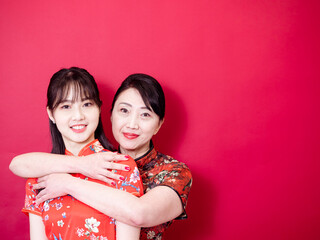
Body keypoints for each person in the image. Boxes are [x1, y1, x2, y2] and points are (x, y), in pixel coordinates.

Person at [10, 73, 192, 239]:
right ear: (111, 114)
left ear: (159, 124)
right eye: (124, 111)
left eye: (145, 114)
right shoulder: (51, 171)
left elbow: (138, 214)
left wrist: (68, 183)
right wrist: (81, 164)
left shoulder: (129, 168)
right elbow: (17, 164)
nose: (132, 124)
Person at [19, 67, 143, 240]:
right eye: (66, 106)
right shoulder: (39, 178)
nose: (78, 116)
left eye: (86, 104)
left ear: (99, 108)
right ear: (51, 114)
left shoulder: (121, 167)